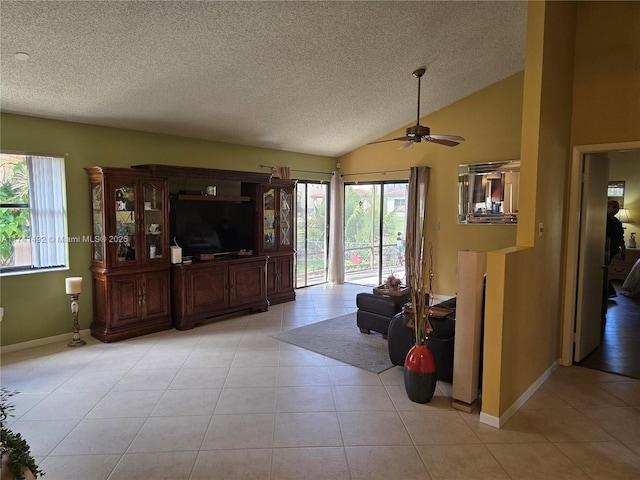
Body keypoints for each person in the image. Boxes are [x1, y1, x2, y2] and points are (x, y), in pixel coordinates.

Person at [606, 200, 626, 297]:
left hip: (614, 249)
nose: (616, 209)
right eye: (613, 206)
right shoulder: (604, 220)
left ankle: (609, 292)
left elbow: (620, 237)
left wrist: (623, 249)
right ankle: (609, 292)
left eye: (617, 207)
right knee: (604, 270)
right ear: (607, 207)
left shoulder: (617, 221)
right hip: (605, 249)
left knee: (606, 269)